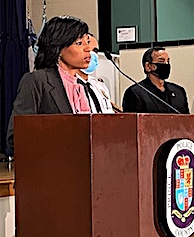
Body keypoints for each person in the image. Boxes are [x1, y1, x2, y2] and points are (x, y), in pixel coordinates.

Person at [6, 16, 92, 154]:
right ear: (58, 48)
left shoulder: (82, 86)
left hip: (81, 168)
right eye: (79, 43)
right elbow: (16, 138)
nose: (88, 49)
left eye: (87, 42)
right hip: (50, 168)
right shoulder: (37, 81)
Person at [122, 47, 189, 114]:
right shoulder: (135, 93)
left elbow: (188, 121)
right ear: (148, 66)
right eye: (161, 61)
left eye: (168, 61)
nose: (166, 64)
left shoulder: (179, 92)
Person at [76, 35, 114, 113]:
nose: (91, 54)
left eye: (95, 51)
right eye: (87, 50)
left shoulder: (100, 86)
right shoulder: (69, 85)